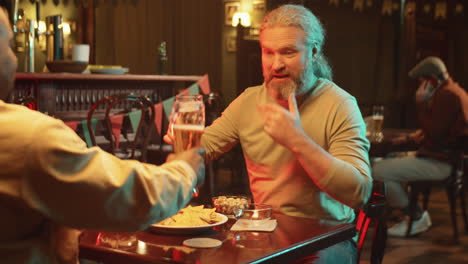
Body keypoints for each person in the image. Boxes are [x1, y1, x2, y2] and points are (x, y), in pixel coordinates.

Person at [169, 4, 372, 262]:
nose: (276, 64)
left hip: (326, 237)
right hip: (262, 231)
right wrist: (182, 139)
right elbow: (203, 148)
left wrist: (297, 140)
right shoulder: (249, 101)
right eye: (268, 52)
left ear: (313, 52)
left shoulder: (340, 105)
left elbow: (359, 192)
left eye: (288, 52)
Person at [0, 8, 205, 264]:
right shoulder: (29, 136)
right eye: (9, 44)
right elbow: (128, 196)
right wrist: (185, 170)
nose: (15, 58)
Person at [373, 56, 468, 237]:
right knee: (391, 160)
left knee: (376, 170)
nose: (420, 87)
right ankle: (409, 214)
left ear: (431, 79)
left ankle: (416, 215)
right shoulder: (455, 91)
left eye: (421, 81)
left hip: (442, 163)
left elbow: (436, 133)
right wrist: (416, 137)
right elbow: (441, 129)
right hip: (446, 160)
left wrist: (421, 104)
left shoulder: (446, 95)